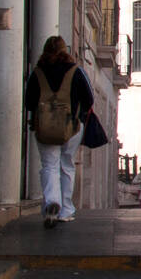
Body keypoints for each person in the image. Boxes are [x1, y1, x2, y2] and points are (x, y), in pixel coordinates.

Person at [25, 36, 93, 228]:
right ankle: (65, 210)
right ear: (65, 50)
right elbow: (88, 99)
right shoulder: (76, 71)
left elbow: (28, 102)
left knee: (49, 165)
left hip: (44, 127)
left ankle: (51, 203)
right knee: (66, 165)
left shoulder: (37, 73)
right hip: (71, 126)